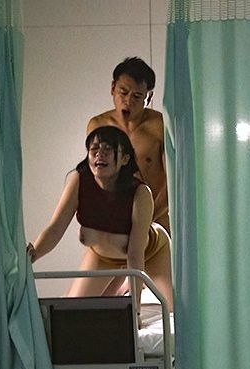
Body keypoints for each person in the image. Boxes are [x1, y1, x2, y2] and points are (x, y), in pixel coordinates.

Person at [28, 126, 173, 321]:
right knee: (72, 313)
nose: (99, 155)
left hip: (151, 252)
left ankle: (124, 283)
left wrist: (135, 310)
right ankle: (120, 281)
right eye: (94, 149)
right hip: (102, 256)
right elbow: (55, 229)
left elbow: (135, 254)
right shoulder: (79, 181)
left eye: (108, 149)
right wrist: (33, 255)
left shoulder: (140, 193)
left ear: (125, 159)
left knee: (173, 310)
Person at [87, 56, 169, 232]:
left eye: (137, 96)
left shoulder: (160, 126)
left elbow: (174, 182)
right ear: (112, 88)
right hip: (114, 224)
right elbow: (93, 178)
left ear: (149, 96)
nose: (129, 101)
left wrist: (145, 220)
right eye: (123, 92)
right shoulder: (98, 126)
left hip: (157, 222)